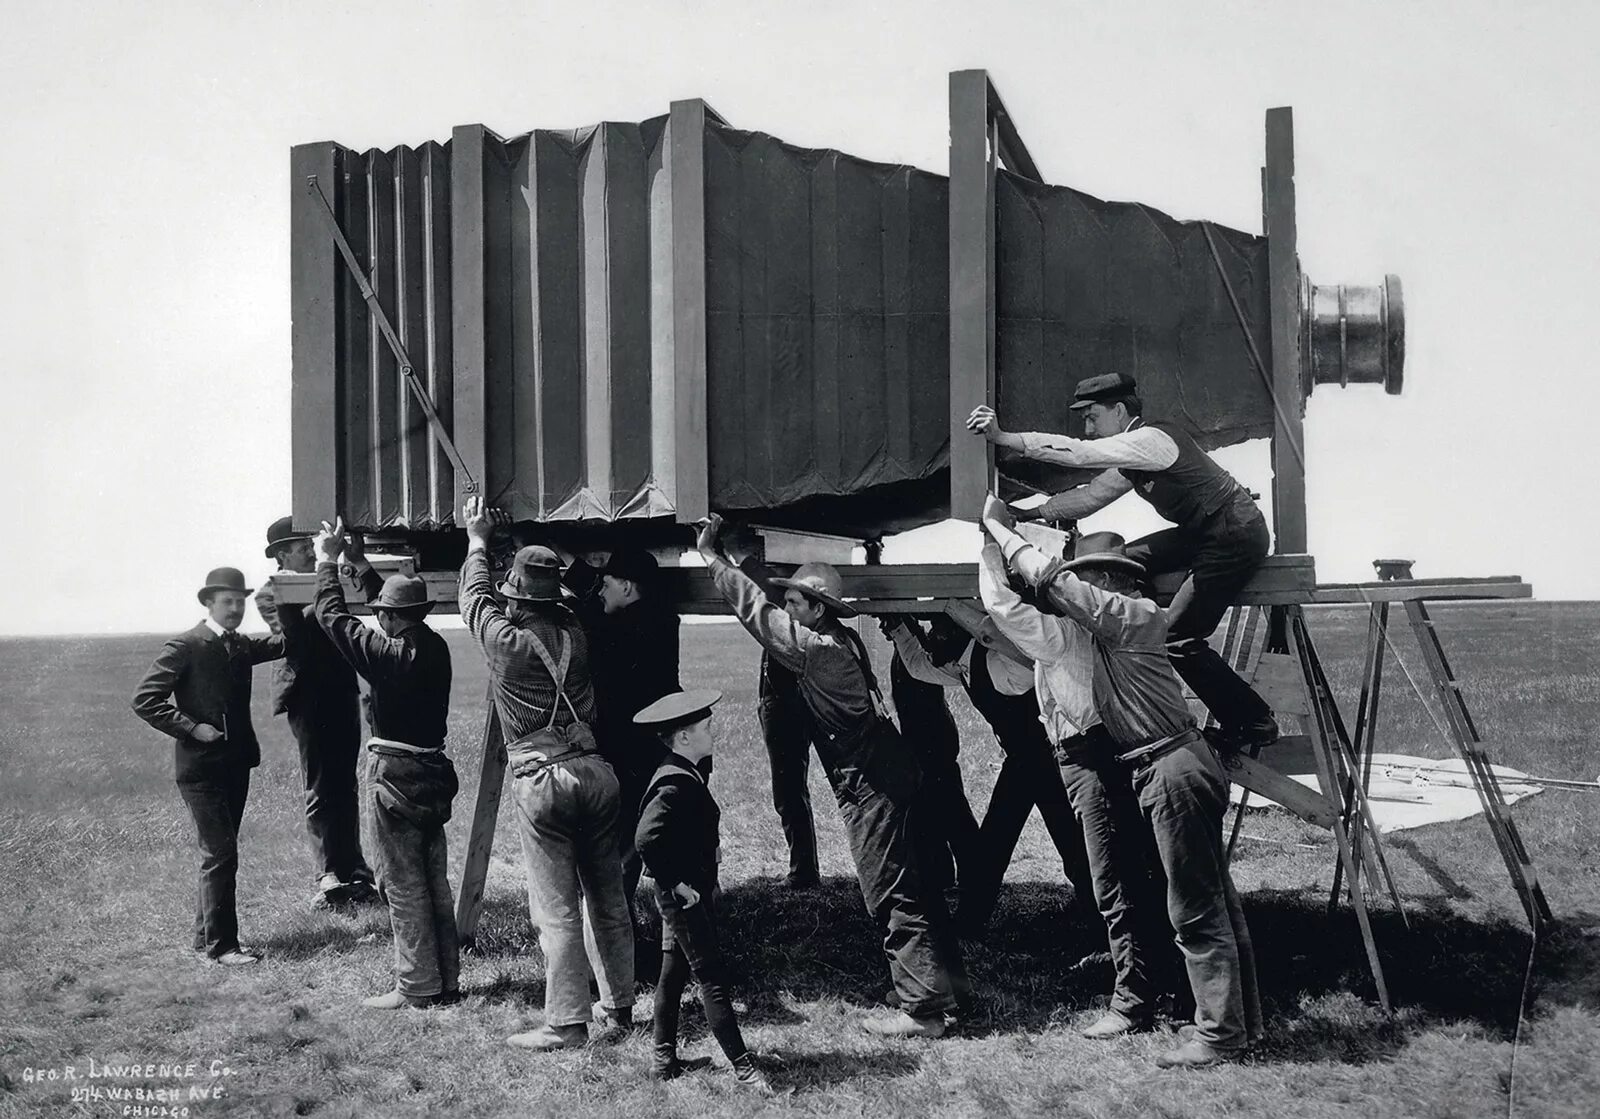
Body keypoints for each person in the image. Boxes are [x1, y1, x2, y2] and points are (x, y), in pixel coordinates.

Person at [982, 495, 1262, 1068]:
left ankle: (1218, 1035)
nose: (1089, 590)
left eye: (1098, 580)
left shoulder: (1127, 620)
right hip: (1171, 762)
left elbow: (1051, 587)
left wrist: (995, 533)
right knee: (1213, 902)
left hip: (1169, 766)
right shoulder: (1127, 624)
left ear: (1116, 584)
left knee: (1196, 908)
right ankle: (1237, 1023)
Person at [697, 513, 969, 1037]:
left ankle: (923, 1013)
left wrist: (715, 559)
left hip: (872, 784)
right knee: (918, 883)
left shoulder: (816, 650)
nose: (787, 609)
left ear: (816, 609)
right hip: (892, 770)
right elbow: (771, 609)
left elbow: (757, 613)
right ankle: (940, 987)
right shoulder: (840, 637)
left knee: (890, 891)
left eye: (795, 602)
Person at [967, 372, 1279, 750]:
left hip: (1235, 534)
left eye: (1092, 417)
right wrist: (1029, 515)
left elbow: (1079, 454)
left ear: (1118, 410)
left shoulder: (1152, 441)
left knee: (1177, 638)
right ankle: (1128, 625)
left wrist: (1004, 438)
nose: (1088, 427)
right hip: (1204, 532)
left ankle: (1253, 721)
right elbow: (1091, 497)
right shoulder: (1135, 459)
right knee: (1119, 562)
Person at [976, 529, 1182, 1037]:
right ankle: (1164, 985)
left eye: (1078, 578)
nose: (1066, 588)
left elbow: (1002, 605)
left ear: (1105, 582)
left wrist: (990, 544)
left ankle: (1133, 1001)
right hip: (1101, 753)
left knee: (1113, 880)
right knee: (1136, 872)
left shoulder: (1068, 634)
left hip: (1089, 758)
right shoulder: (1097, 630)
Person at [457, 497, 634, 1051]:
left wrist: (477, 538)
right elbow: (554, 595)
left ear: (515, 595)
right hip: (597, 773)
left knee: (554, 906)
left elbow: (473, 598)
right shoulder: (577, 634)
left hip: (543, 781)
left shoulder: (505, 642)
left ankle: (566, 1023)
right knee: (607, 896)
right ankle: (620, 1006)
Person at [310, 519, 460, 1010]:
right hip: (432, 772)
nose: (378, 620)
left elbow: (331, 616)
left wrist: (326, 562)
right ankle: (447, 980)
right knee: (433, 879)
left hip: (393, 776)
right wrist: (359, 562)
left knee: (400, 882)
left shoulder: (384, 654)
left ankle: (415, 986)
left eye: (382, 616)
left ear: (390, 620)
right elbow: (394, 608)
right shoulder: (432, 645)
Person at [882, 614, 1092, 936]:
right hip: (1024, 765)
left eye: (940, 629)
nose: (933, 637)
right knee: (995, 846)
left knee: (1071, 847)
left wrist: (983, 629)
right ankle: (969, 922)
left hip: (1046, 764)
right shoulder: (961, 665)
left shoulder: (998, 664)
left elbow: (1030, 665)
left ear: (961, 633)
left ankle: (1100, 922)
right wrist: (898, 628)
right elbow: (919, 666)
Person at [131, 566, 284, 966]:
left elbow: (284, 644)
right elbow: (144, 700)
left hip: (235, 765)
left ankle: (205, 939)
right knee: (220, 854)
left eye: (240, 602)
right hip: (200, 770)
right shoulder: (185, 645)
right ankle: (224, 948)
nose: (235, 608)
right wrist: (191, 727)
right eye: (227, 602)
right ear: (208, 603)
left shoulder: (240, 645)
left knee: (221, 853)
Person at [633, 690, 773, 1093]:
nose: (713, 734)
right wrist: (676, 883)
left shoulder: (684, 769)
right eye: (705, 728)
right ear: (683, 738)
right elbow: (646, 839)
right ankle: (745, 1070)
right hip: (684, 897)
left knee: (672, 974)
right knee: (710, 976)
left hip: (685, 891)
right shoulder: (674, 784)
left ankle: (663, 1061)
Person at [258, 515, 376, 908]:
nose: (311, 549)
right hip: (307, 695)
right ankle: (327, 873)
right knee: (321, 786)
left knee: (346, 783)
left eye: (312, 543)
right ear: (280, 555)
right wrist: (330, 590)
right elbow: (297, 638)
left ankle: (355, 869)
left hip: (341, 691)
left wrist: (335, 578)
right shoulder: (269, 593)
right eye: (301, 546)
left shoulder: (329, 581)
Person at [562, 547, 681, 919]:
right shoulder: (661, 618)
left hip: (627, 756)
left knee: (620, 850)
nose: (600, 590)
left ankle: (614, 928)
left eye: (607, 583)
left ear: (628, 587)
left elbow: (587, 612)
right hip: (657, 750)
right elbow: (598, 600)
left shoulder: (614, 629)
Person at [885, 648, 980, 910]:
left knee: (950, 809)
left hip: (932, 741)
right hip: (928, 740)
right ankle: (945, 873)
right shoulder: (907, 651)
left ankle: (971, 872)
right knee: (937, 807)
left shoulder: (914, 649)